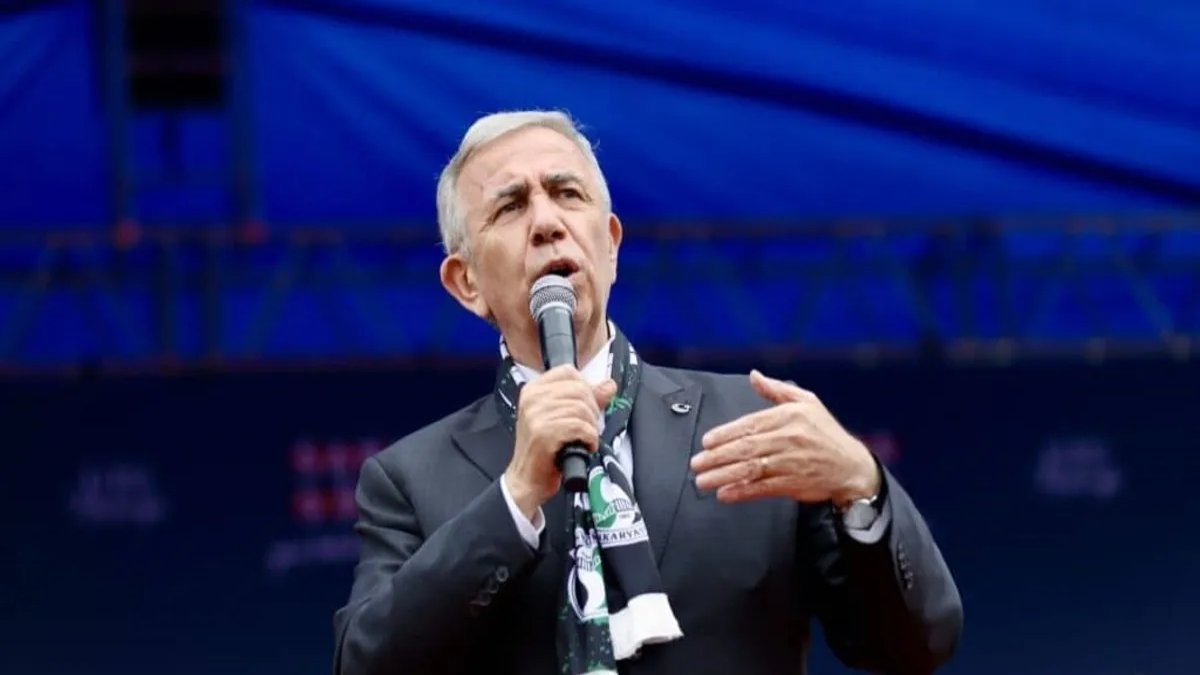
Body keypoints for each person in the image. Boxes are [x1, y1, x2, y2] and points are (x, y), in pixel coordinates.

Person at [333, 110, 963, 675]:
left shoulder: (754, 423)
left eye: (566, 193)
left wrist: (860, 485)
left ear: (610, 243)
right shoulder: (408, 481)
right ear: (466, 283)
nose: (547, 223)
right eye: (511, 207)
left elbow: (917, 644)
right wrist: (515, 498)